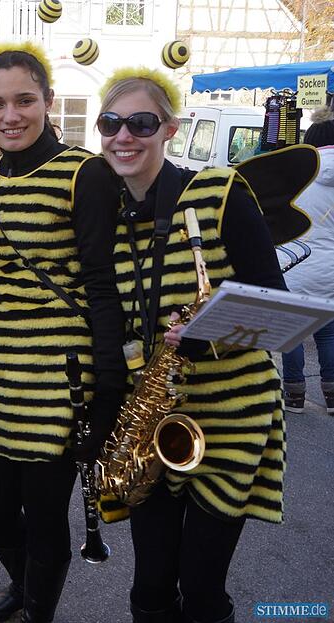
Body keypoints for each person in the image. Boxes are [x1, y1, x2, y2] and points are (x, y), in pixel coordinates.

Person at [95, 67, 295, 623]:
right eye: (110, 123)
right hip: (152, 423)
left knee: (203, 590)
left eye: (141, 122)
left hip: (230, 417)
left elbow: (273, 304)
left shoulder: (220, 191)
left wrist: (205, 337)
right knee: (150, 590)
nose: (124, 136)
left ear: (170, 130)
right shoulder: (108, 216)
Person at [0, 42, 125, 623]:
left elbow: (102, 286)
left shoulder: (85, 174)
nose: (11, 115)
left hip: (59, 381)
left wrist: (109, 381)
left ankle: (38, 609)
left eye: (25, 100)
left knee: (45, 513)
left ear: (49, 101)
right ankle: (19, 583)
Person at [282, 109, 334, 415]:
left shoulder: (299, 177)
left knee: (294, 331)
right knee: (328, 332)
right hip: (331, 270)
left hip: (298, 263)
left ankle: (294, 396)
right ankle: (332, 397)